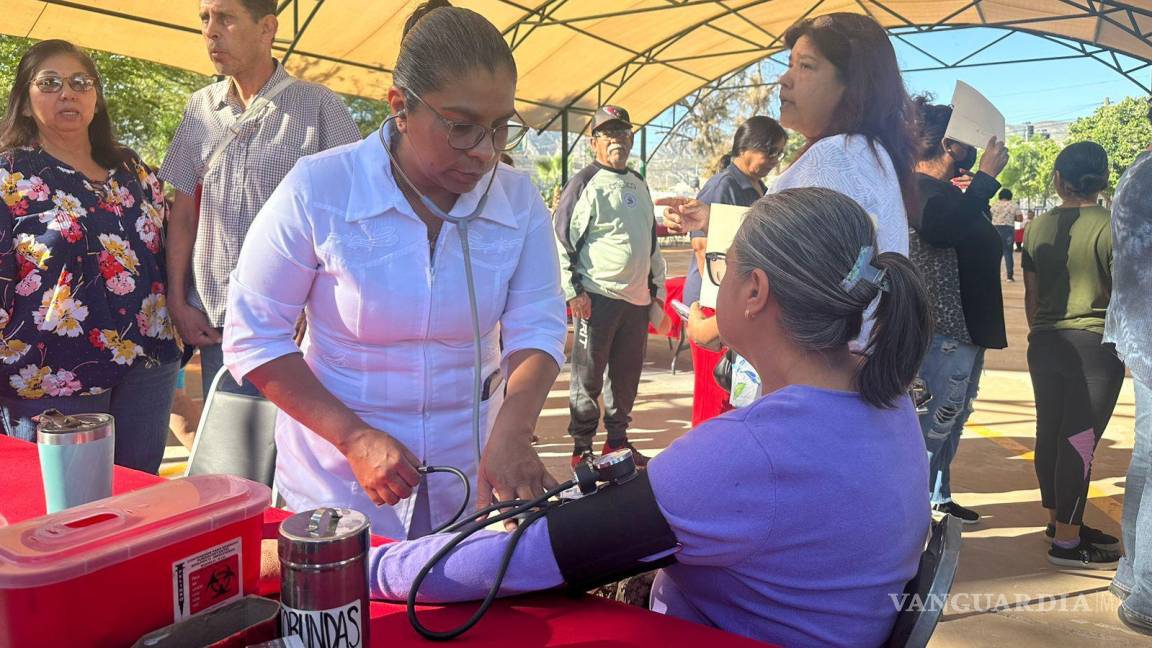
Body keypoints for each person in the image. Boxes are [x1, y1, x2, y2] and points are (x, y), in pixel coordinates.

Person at [337, 188, 932, 647]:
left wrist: (360, 565)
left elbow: (519, 561)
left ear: (754, 291)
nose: (713, 280)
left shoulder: (754, 453)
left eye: (721, 267)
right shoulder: (882, 396)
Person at [223, 1, 567, 539]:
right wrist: (353, 438)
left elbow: (539, 326)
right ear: (400, 107)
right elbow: (254, 336)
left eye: (501, 128)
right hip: (337, 483)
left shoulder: (518, 199)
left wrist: (513, 430)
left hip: (467, 474)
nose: (484, 152)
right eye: (462, 127)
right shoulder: (320, 189)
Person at [161, 0, 360, 398]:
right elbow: (182, 213)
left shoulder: (320, 106)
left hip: (292, 328)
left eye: (226, 19)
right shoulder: (200, 107)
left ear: (267, 27)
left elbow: (353, 215)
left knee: (293, 451)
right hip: (216, 319)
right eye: (205, 19)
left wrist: (316, 302)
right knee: (234, 451)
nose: (211, 32)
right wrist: (177, 299)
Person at [0, 40, 180, 473]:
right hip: (51, 373)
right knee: (63, 521)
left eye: (81, 82)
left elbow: (172, 241)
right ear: (25, 102)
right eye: (51, 83)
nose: (68, 92)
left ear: (96, 100)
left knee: (137, 504)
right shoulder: (9, 174)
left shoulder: (131, 168)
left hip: (148, 360)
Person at [659, 12, 918, 308]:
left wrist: (718, 328)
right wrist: (711, 219)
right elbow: (795, 238)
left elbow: (800, 279)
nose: (784, 79)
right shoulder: (863, 152)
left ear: (852, 84)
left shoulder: (835, 159)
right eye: (790, 65)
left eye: (806, 66)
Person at [907, 97, 1010, 525]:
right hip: (943, 332)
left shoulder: (947, 192)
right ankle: (908, 525)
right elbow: (941, 228)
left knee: (949, 422)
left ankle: (936, 497)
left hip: (961, 331)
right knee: (931, 428)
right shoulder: (916, 187)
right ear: (950, 145)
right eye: (967, 145)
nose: (973, 155)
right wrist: (985, 178)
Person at [1023, 141, 1124, 568]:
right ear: (1102, 179)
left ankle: (1059, 521)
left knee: (1051, 432)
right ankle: (1067, 542)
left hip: (1045, 342)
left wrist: (1042, 331)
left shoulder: (1038, 226)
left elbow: (1031, 295)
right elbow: (1125, 291)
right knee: (1079, 440)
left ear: (1058, 179)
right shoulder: (1113, 225)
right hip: (1094, 346)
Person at [554, 104, 666, 468]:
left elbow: (651, 245)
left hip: (635, 301)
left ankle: (616, 443)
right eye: (608, 134)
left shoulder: (638, 183)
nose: (616, 140)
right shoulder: (585, 182)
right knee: (587, 376)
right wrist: (575, 292)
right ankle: (581, 449)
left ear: (631, 139)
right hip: (597, 298)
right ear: (593, 143)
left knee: (626, 378)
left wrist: (657, 294)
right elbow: (561, 239)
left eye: (622, 133)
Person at [683, 116, 786, 424]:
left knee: (738, 395)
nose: (774, 161)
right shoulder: (724, 186)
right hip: (715, 306)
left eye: (779, 154)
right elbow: (704, 250)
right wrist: (725, 307)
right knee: (715, 396)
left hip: (741, 304)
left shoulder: (761, 188)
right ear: (746, 147)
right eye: (770, 152)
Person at [1107, 100, 1152, 635]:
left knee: (1147, 456)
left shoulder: (1139, 167)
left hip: (1139, 330)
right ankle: (1146, 591)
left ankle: (1134, 574)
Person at [989, 188, 1021, 281]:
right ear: (1010, 196)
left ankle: (993, 276)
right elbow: (1020, 218)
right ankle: (1009, 276)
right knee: (1008, 253)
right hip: (1008, 230)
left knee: (995, 253)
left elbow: (990, 217)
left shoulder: (994, 205)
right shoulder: (1014, 205)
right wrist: (1010, 218)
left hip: (995, 230)